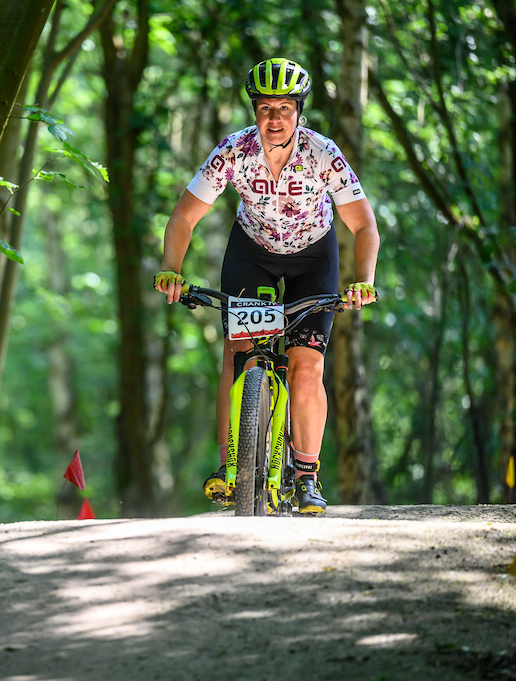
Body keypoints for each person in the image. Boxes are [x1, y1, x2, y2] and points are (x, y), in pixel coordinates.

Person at [154, 58, 379, 514]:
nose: (274, 119)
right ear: (254, 111)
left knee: (306, 367)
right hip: (251, 253)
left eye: (284, 109)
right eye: (265, 109)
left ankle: (307, 476)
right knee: (239, 354)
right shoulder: (233, 151)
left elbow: (364, 225)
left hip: (313, 258)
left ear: (299, 111)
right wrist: (171, 268)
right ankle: (228, 465)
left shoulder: (322, 153)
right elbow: (184, 216)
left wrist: (364, 281)